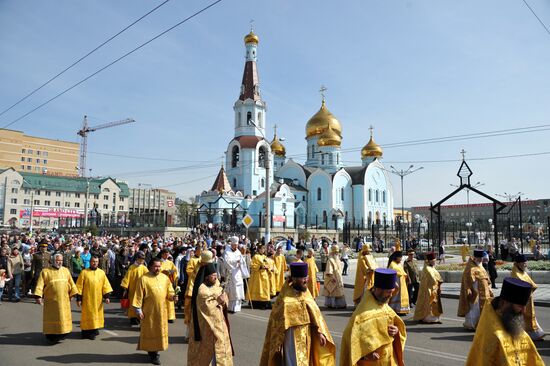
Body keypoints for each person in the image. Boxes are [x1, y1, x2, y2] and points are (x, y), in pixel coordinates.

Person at [260, 262, 336, 365]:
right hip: (291, 336)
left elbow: (315, 315)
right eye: (303, 278)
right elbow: (276, 322)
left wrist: (320, 332)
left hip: (306, 334)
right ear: (294, 279)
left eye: (306, 277)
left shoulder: (306, 293)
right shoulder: (285, 298)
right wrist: (278, 339)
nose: (306, 280)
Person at [465, 277, 544, 366]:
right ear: (504, 303)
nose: (523, 311)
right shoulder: (493, 334)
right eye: (520, 306)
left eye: (524, 306)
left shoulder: (518, 330)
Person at [340, 268, 407, 366]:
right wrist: (365, 355)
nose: (391, 295)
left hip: (389, 359)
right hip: (372, 362)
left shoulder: (384, 305)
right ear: (379, 290)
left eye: (392, 291)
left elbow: (397, 326)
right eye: (389, 292)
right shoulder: (363, 313)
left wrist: (397, 331)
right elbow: (350, 339)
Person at [133, 257, 177, 365]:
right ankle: (154, 355)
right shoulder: (143, 279)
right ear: (150, 266)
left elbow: (169, 292)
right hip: (149, 311)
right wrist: (138, 310)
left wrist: (172, 297)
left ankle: (154, 351)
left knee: (159, 332)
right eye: (156, 266)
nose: (158, 268)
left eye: (159, 266)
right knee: (150, 331)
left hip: (162, 311)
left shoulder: (164, 278)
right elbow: (138, 296)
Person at [188, 262, 233, 366]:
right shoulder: (202, 290)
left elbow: (223, 297)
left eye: (216, 275)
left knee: (221, 351)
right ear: (206, 277)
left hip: (220, 325)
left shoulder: (216, 285)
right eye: (213, 276)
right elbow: (206, 308)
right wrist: (218, 301)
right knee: (208, 353)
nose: (215, 278)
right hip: (207, 328)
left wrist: (223, 300)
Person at [34, 253, 78, 343]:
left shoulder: (66, 271)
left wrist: (73, 294)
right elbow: (40, 285)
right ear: (53, 261)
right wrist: (38, 296)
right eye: (58, 260)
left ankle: (63, 333)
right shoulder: (45, 271)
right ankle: (51, 336)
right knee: (53, 319)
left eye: (61, 260)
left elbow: (71, 283)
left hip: (64, 301)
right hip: (51, 302)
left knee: (63, 317)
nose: (60, 262)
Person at [75, 255, 113, 340]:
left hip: (97, 299)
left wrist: (107, 296)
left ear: (98, 262)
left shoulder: (101, 273)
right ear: (90, 262)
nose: (94, 263)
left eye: (96, 262)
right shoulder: (84, 272)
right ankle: (87, 332)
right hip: (87, 299)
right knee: (88, 316)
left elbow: (105, 285)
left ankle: (94, 329)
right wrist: (79, 298)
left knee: (96, 315)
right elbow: (79, 286)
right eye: (93, 261)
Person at [511, 254, 545, 340]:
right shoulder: (515, 274)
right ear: (518, 263)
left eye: (526, 263)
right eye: (523, 263)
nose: (525, 265)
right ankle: (527, 335)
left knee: (531, 316)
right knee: (524, 317)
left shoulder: (523, 272)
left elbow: (531, 284)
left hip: (528, 298)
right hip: (521, 300)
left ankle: (535, 333)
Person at [457, 249, 494, 330]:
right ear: (475, 258)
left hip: (484, 292)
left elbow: (487, 279)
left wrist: (489, 288)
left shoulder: (481, 266)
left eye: (481, 258)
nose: (481, 259)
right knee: (474, 309)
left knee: (483, 309)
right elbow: (467, 280)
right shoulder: (470, 267)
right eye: (479, 258)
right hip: (475, 292)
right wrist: (470, 290)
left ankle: (481, 324)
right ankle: (471, 325)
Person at [413, 252, 443, 323]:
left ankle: (436, 317)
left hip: (435, 289)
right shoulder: (427, 269)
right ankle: (427, 317)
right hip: (428, 290)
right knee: (429, 304)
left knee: (435, 305)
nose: (434, 261)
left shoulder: (432, 267)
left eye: (435, 260)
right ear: (429, 261)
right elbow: (432, 279)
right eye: (433, 260)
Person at [121, 251, 149, 325]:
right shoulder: (132, 267)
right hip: (133, 289)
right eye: (141, 259)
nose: (142, 260)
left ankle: (140, 317)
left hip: (142, 289)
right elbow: (127, 277)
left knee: (141, 302)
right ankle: (133, 318)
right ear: (137, 258)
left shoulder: (144, 268)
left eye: (143, 259)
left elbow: (148, 277)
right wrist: (125, 287)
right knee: (132, 303)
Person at [223, 236, 245, 313]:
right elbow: (226, 261)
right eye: (234, 245)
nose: (236, 246)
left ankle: (237, 307)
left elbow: (242, 260)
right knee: (232, 289)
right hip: (231, 272)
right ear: (231, 244)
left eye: (236, 245)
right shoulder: (227, 251)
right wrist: (236, 261)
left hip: (238, 273)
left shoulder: (238, 251)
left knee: (239, 288)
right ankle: (230, 307)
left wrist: (241, 263)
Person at [247, 245, 271, 310]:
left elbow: (268, 264)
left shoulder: (264, 256)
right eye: (262, 249)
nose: (263, 250)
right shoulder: (255, 256)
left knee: (265, 289)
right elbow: (252, 265)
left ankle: (264, 303)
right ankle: (256, 303)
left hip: (264, 275)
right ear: (259, 249)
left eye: (264, 249)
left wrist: (267, 267)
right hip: (257, 276)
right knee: (257, 288)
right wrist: (260, 267)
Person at [159, 249, 178, 323]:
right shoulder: (159, 262)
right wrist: (164, 271)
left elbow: (175, 271)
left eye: (168, 254)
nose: (167, 255)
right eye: (165, 254)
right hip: (161, 282)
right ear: (162, 254)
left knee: (170, 297)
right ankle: (162, 315)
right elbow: (157, 270)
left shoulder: (170, 262)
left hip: (169, 282)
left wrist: (172, 272)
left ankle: (170, 316)